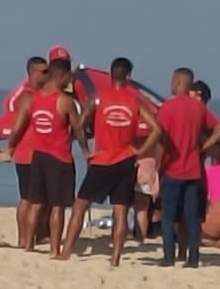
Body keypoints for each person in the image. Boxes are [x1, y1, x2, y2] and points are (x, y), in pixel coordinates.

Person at [62, 57, 161, 266]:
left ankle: (67, 251)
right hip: (126, 160)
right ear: (128, 76)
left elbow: (79, 126)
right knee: (121, 211)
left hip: (102, 160)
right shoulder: (135, 100)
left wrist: (86, 150)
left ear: (110, 74)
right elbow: (157, 129)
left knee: (80, 206)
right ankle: (115, 257)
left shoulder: (98, 97)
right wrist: (141, 149)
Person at [7, 57, 86, 257]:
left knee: (36, 202)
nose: (71, 81)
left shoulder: (33, 99)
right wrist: (86, 151)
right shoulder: (64, 101)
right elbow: (78, 129)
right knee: (57, 206)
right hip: (59, 157)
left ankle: (27, 245)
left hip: (38, 156)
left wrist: (10, 147)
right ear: (61, 75)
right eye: (68, 77)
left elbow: (19, 126)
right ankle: (54, 249)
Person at [152, 68, 220, 268]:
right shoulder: (198, 108)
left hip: (173, 168)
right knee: (191, 217)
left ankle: (169, 257)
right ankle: (193, 257)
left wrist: (157, 165)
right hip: (193, 169)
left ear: (178, 82)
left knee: (168, 217)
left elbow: (161, 138)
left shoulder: (168, 108)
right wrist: (205, 146)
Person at [0, 56, 49, 248]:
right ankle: (25, 241)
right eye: (44, 72)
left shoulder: (40, 93)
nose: (47, 75)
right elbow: (17, 125)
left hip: (39, 152)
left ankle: (30, 240)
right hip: (28, 153)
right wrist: (10, 147)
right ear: (33, 72)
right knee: (29, 199)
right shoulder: (26, 95)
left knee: (35, 199)